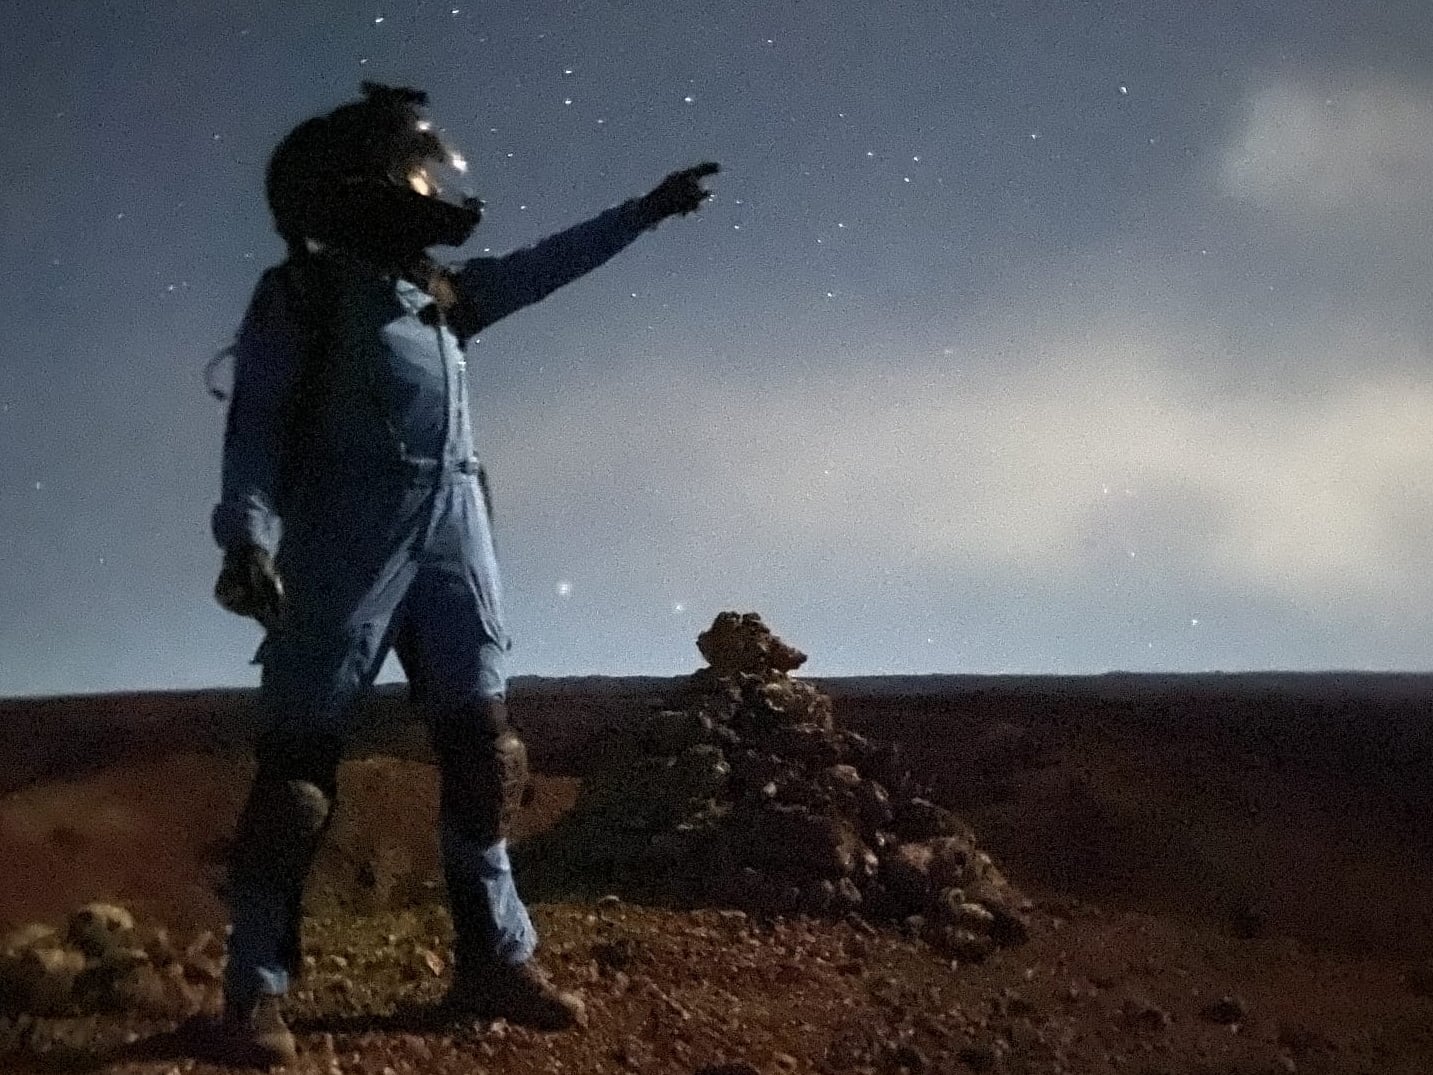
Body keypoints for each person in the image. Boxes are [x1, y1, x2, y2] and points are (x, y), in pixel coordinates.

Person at [207, 81, 717, 1066]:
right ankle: (255, 987)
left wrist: (645, 211)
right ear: (358, 183)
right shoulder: (305, 298)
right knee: (297, 778)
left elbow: (547, 265)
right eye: (414, 167)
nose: (432, 184)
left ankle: (493, 956)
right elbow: (257, 426)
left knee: (485, 755)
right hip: (344, 543)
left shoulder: (443, 299)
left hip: (453, 540)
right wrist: (247, 538)